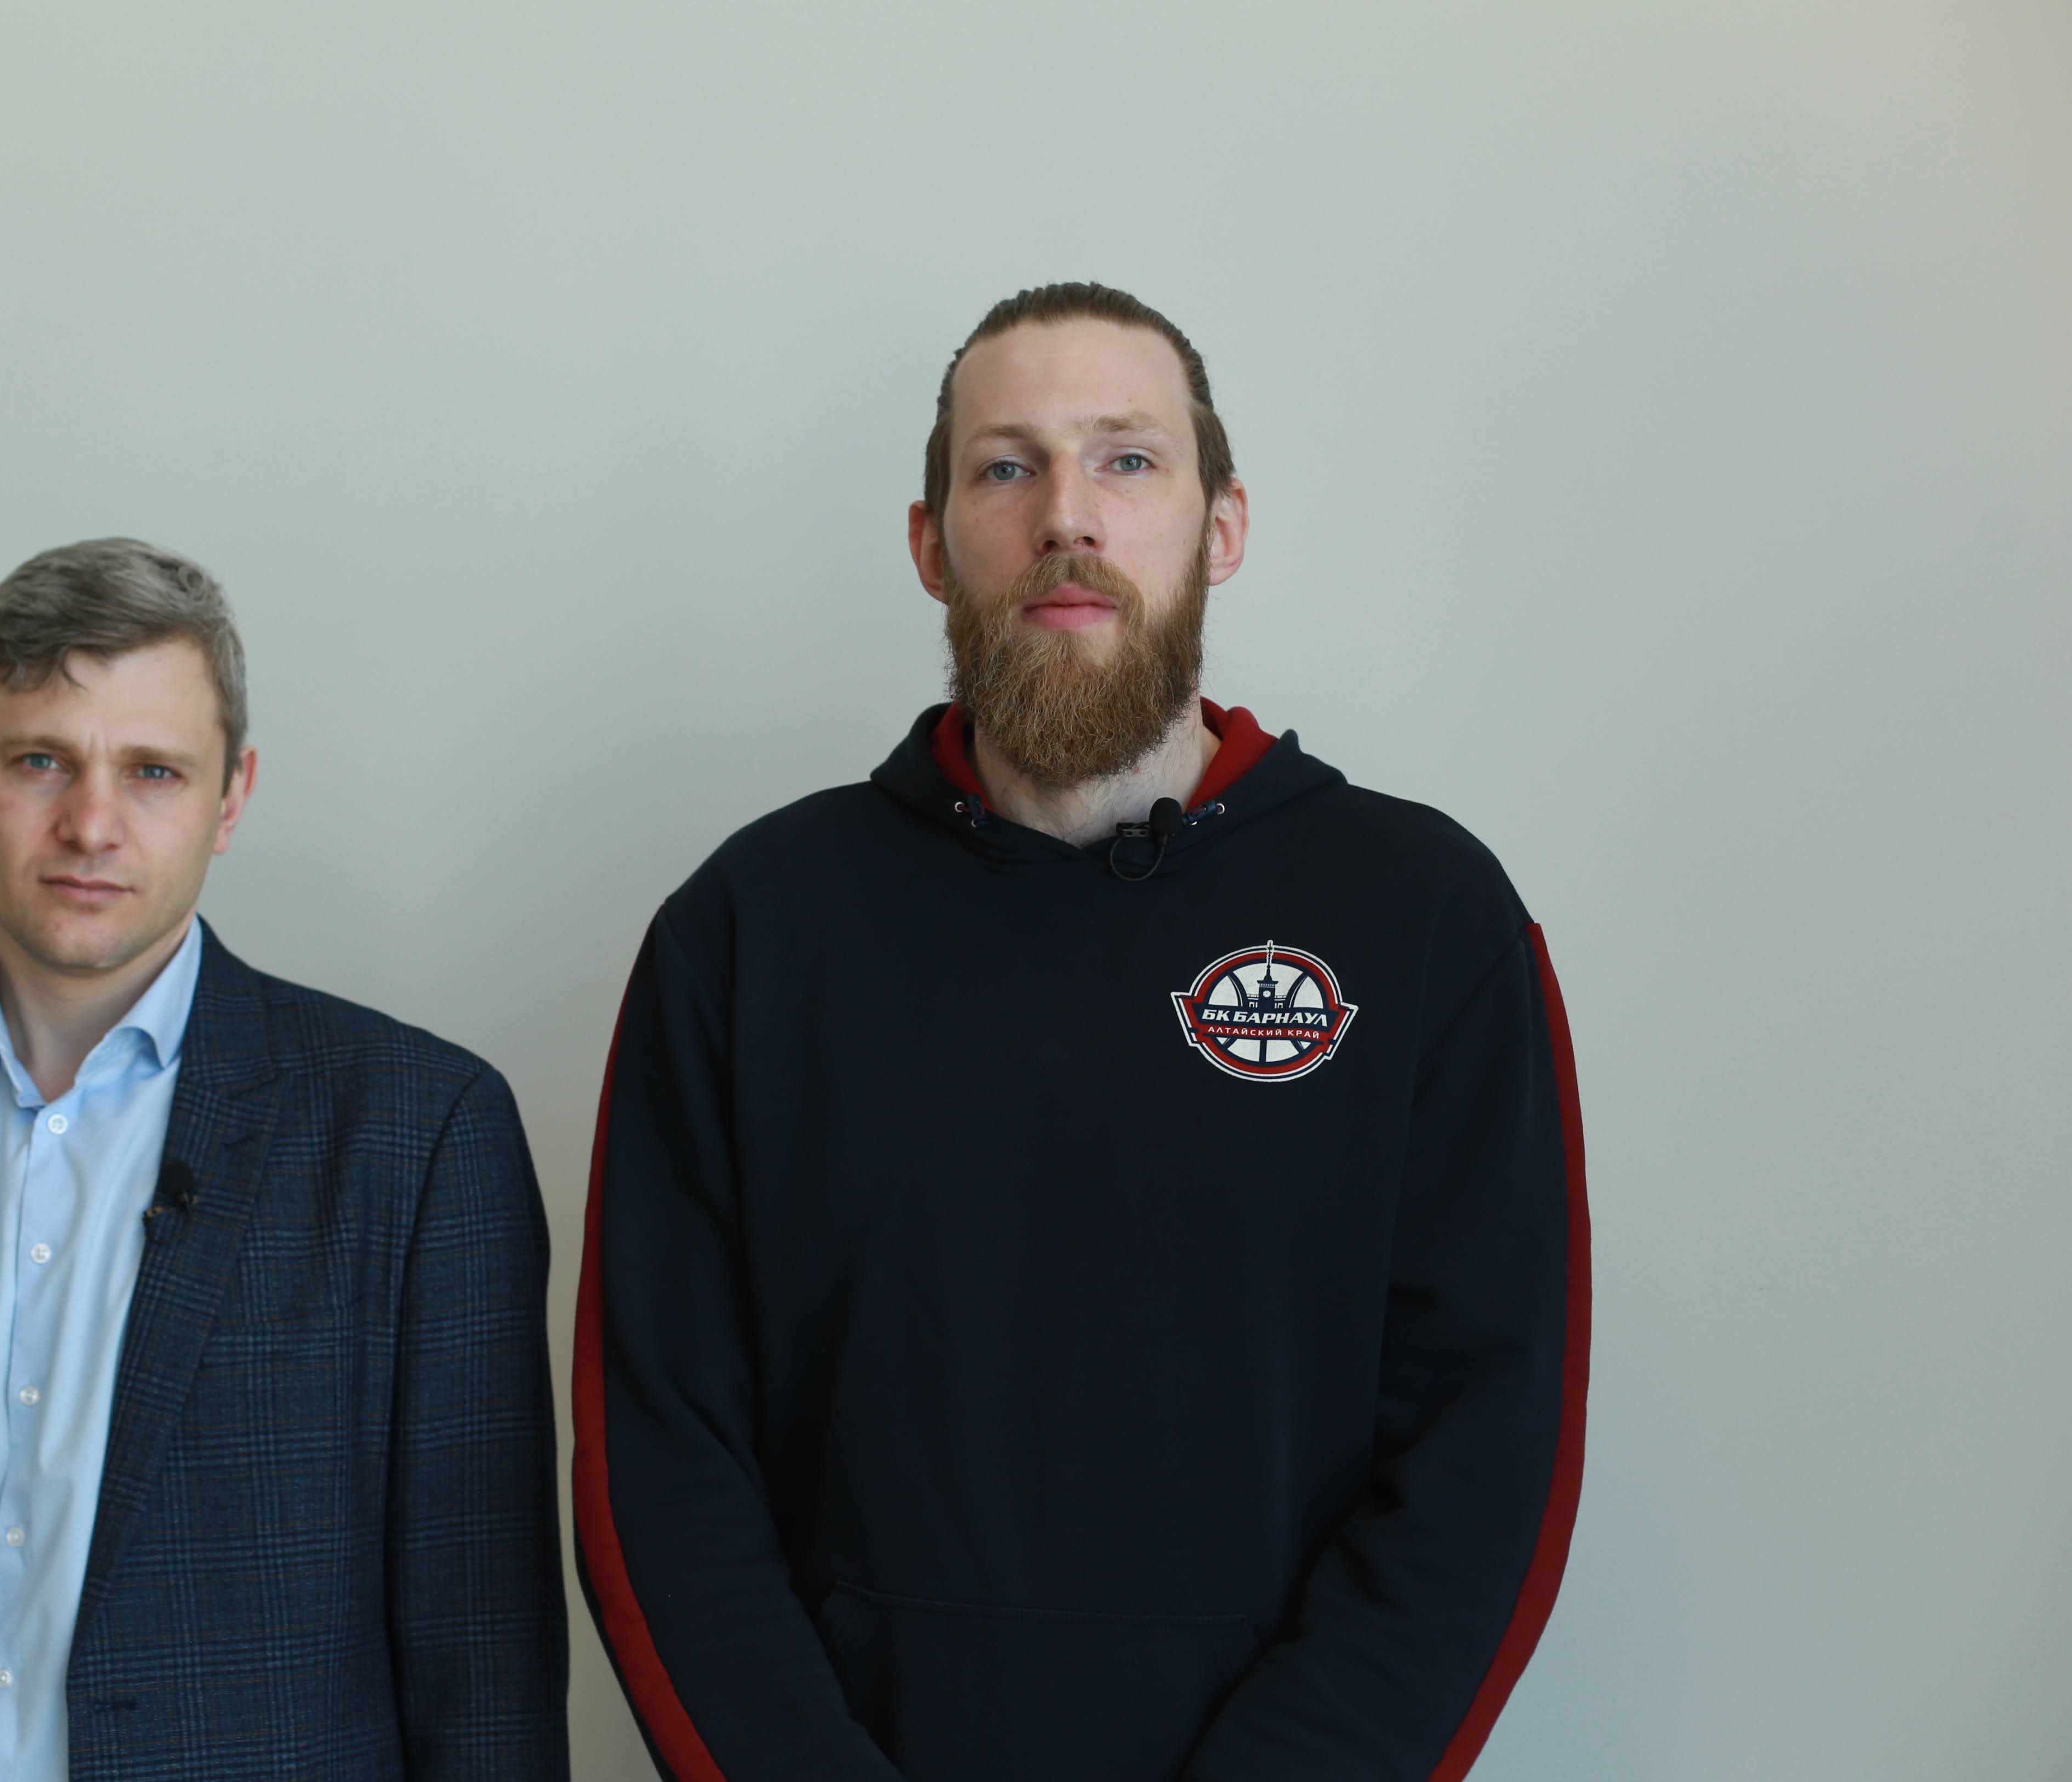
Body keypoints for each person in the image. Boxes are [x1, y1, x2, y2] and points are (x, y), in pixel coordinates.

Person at [573, 284, 1589, 1781]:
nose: (1066, 515)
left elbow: (1487, 1452)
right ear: (930, 546)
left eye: (1126, 458)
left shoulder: (1424, 919)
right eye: (1005, 466)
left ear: (1219, 527)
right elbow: (659, 1461)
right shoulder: (750, 930)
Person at [0, 539, 568, 1780]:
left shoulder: (417, 1134)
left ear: (231, 797)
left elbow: (482, 1670)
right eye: (39, 760)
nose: (90, 823)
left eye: (152, 771)